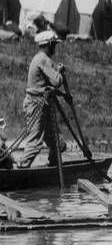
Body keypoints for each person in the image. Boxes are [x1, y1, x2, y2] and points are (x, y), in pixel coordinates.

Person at [17, 30, 69, 168]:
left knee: (58, 142)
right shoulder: (43, 59)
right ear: (49, 44)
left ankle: (54, 166)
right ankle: (21, 169)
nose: (55, 48)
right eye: (54, 45)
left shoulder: (39, 58)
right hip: (37, 106)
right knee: (34, 143)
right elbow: (57, 81)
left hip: (43, 105)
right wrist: (60, 71)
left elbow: (49, 83)